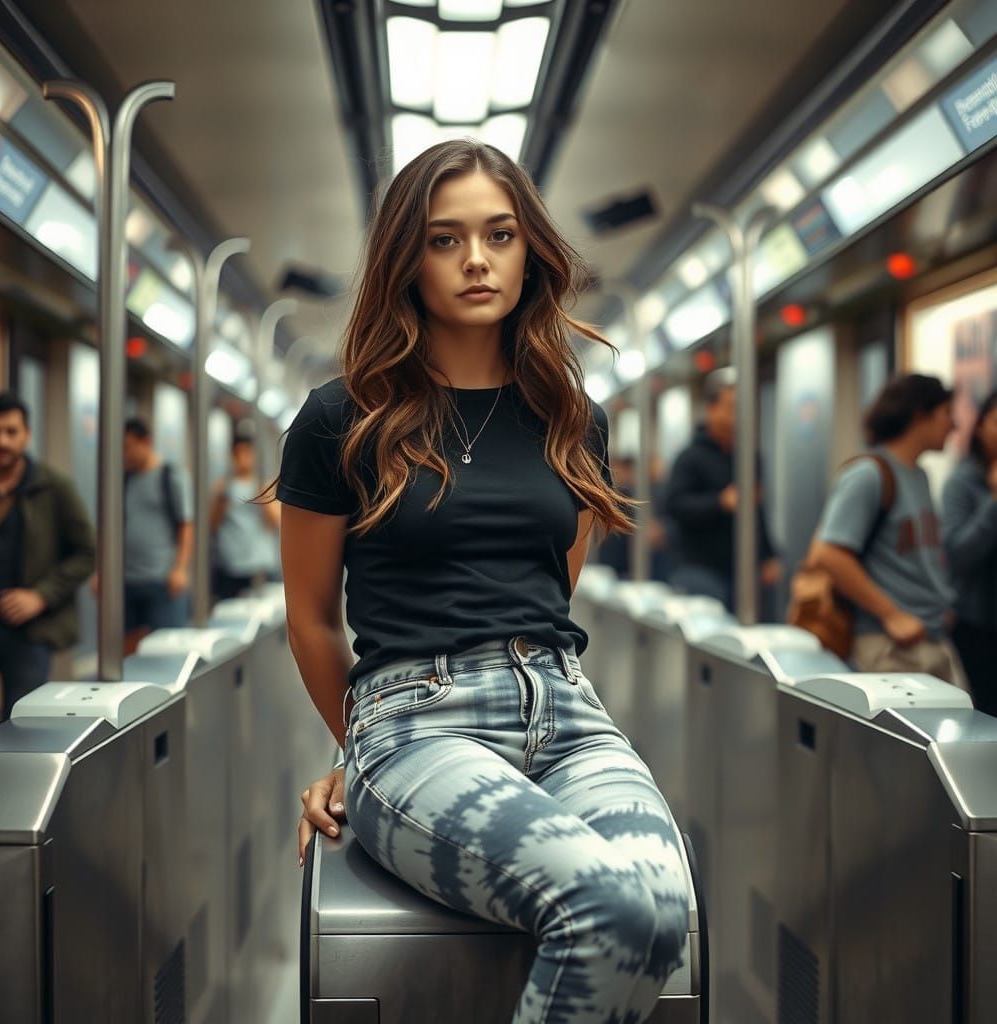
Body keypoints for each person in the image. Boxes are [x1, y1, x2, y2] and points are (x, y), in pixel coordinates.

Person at [279, 139, 690, 1022]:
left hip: (569, 715)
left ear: (528, 248)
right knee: (606, 905)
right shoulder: (339, 417)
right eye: (444, 239)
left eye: (500, 234)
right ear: (406, 258)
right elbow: (311, 620)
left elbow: (553, 583)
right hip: (414, 725)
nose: (476, 260)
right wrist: (360, 750)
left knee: (664, 914)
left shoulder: (572, 417)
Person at [811, 374, 966, 686]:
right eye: (947, 413)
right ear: (920, 414)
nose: (954, 426)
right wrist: (892, 614)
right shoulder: (869, 474)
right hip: (892, 647)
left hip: (931, 639)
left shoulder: (919, 475)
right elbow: (827, 554)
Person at [0, 391, 95, 721]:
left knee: (22, 726)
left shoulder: (54, 488)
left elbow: (87, 552)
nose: (2, 441)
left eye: (11, 432)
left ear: (26, 434)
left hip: (29, 631)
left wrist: (40, 596)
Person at [665, 369, 780, 609]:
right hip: (701, 568)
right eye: (731, 407)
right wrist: (720, 502)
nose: (738, 416)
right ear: (711, 409)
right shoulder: (690, 458)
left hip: (745, 571)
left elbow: (756, 510)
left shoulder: (750, 457)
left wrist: (768, 555)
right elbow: (675, 506)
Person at [942, 389, 997, 712]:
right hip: (977, 627)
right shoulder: (962, 482)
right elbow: (957, 555)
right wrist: (993, 503)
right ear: (980, 426)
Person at [122, 418, 193, 649]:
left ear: (146, 442)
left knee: (166, 649)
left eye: (128, 447)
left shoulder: (170, 476)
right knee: (128, 650)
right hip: (127, 579)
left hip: (162, 579)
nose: (125, 455)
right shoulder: (124, 479)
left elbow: (186, 525)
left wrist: (180, 569)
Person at [211, 432, 280, 600]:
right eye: (238, 453)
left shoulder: (265, 485)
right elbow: (212, 524)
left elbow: (275, 522)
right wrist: (222, 496)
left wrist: (262, 495)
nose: (243, 458)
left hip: (259, 564)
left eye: (247, 453)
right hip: (231, 563)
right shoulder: (223, 486)